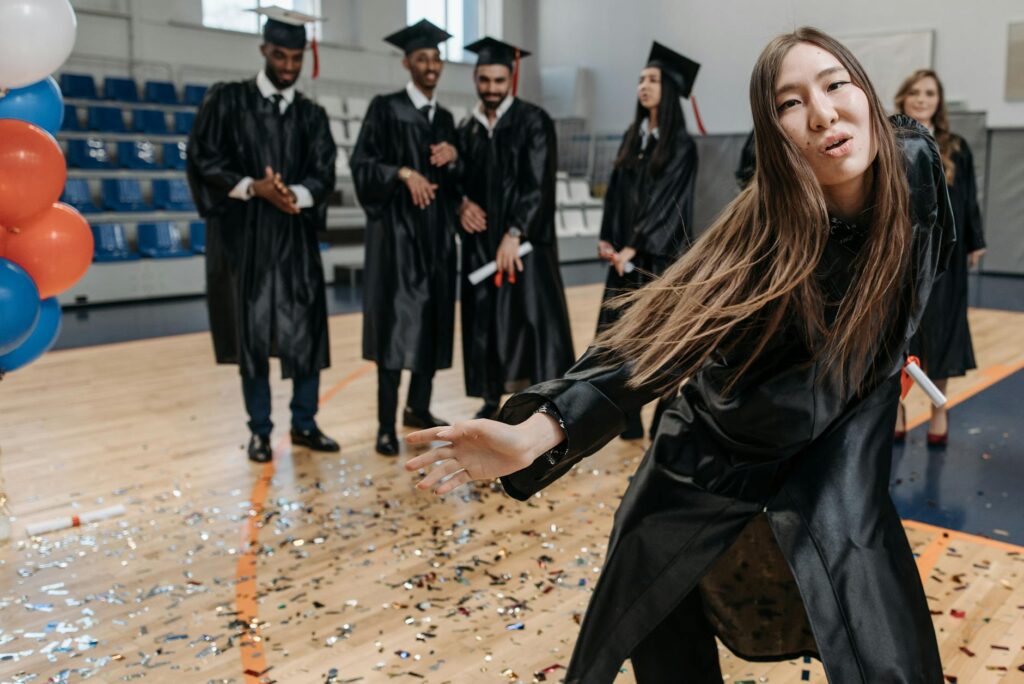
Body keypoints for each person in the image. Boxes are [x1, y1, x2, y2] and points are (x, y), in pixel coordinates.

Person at [406, 27, 954, 682]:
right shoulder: (760, 233)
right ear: (774, 136)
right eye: (789, 103)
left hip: (838, 446)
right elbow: (652, 337)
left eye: (835, 84)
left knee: (883, 645)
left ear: (865, 91)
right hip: (719, 443)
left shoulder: (916, 165)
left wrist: (892, 346)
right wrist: (534, 434)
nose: (824, 112)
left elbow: (918, 274)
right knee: (654, 609)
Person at [186, 8, 339, 463]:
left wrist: (293, 194)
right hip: (246, 240)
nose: (289, 66)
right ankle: (259, 430)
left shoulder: (312, 115)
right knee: (252, 337)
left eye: (296, 57)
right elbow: (202, 159)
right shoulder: (227, 100)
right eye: (280, 55)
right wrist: (254, 188)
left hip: (295, 237)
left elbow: (324, 173)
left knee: (306, 335)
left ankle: (305, 423)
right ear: (263, 51)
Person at [350, 19, 460, 456]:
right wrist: (402, 172)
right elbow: (362, 164)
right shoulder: (384, 107)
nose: (430, 65)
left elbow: (459, 183)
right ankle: (383, 423)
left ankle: (418, 408)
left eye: (435, 58)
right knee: (395, 331)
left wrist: (455, 157)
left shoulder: (447, 119)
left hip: (436, 238)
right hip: (396, 239)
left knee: (432, 322)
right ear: (406, 62)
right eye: (422, 58)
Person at [456, 37, 575, 420]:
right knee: (486, 322)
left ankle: (541, 400)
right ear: (475, 78)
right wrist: (460, 203)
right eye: (484, 80)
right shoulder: (467, 129)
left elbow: (538, 184)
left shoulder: (532, 120)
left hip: (525, 246)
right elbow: (460, 182)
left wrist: (515, 232)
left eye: (498, 81)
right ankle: (493, 396)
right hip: (481, 246)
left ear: (512, 79)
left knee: (530, 322)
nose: (491, 89)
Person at [596, 41, 699, 440]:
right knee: (619, 342)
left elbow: (666, 205)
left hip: (658, 262)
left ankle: (663, 424)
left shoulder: (681, 147)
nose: (644, 85)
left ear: (668, 90)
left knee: (661, 344)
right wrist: (608, 240)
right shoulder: (632, 137)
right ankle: (627, 420)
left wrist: (633, 247)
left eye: (653, 80)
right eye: (641, 79)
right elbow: (616, 194)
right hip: (624, 258)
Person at [894, 69, 986, 446]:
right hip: (903, 255)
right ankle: (896, 408)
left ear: (938, 100)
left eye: (930, 93)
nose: (922, 98)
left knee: (944, 331)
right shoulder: (889, 142)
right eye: (915, 92)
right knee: (900, 333)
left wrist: (974, 242)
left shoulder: (956, 147)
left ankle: (938, 410)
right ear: (903, 98)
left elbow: (968, 201)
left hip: (945, 255)